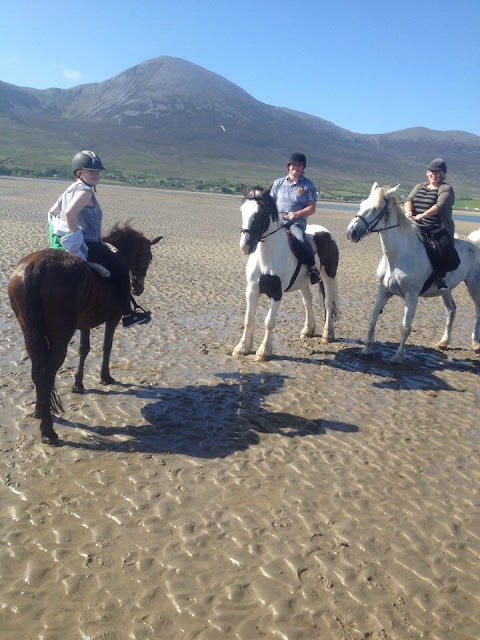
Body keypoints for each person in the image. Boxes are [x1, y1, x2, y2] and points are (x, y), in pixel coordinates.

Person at [48, 150, 151, 328]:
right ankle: (129, 314)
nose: (96, 175)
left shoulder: (68, 191)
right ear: (79, 172)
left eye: (97, 171)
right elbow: (70, 213)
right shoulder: (85, 192)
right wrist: (74, 238)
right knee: (121, 267)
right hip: (90, 244)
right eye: (91, 171)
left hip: (73, 242)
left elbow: (52, 213)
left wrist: (61, 235)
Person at [405, 158, 456, 291]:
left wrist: (423, 215)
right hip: (415, 225)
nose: (434, 174)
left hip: (436, 227)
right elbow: (409, 199)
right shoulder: (419, 186)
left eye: (437, 172)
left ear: (442, 174)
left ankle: (440, 277)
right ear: (428, 173)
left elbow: (439, 207)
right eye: (431, 171)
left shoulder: (446, 189)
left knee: (442, 246)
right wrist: (408, 211)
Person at [270, 152, 321, 285]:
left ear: (303, 168)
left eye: (299, 165)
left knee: (301, 238)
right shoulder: (278, 183)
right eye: (294, 165)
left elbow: (312, 208)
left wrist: (296, 214)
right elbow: (270, 202)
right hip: (278, 220)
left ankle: (312, 269)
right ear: (289, 166)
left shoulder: (308, 185)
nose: (296, 167)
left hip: (296, 222)